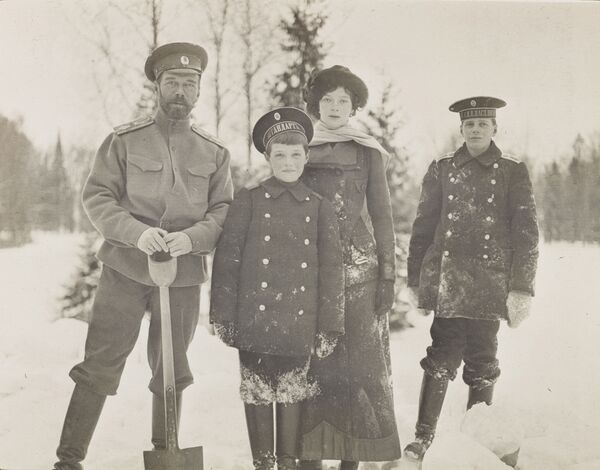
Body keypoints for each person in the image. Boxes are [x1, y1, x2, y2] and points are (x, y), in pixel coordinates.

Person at [53, 42, 233, 470]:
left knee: (172, 369)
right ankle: (68, 459)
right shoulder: (124, 141)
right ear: (157, 86)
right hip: (125, 269)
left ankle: (166, 453)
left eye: (190, 84)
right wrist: (138, 233)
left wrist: (191, 239)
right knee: (100, 363)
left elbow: (223, 209)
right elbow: (97, 196)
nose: (180, 92)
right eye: (172, 82)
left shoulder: (214, 152)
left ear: (199, 91)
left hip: (184, 273)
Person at [403, 96, 539, 463]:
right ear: (461, 129)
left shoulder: (512, 170)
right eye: (470, 124)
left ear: (494, 128)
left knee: (482, 359)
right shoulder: (442, 168)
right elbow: (423, 227)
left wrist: (522, 288)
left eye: (483, 124)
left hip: (490, 285)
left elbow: (526, 233)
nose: (476, 129)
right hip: (450, 284)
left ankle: (476, 441)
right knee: (440, 358)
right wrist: (415, 278)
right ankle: (423, 437)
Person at [210, 107, 345, 470]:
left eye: (296, 155)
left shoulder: (319, 208)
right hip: (254, 322)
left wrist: (330, 325)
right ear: (268, 157)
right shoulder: (249, 201)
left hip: (299, 325)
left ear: (306, 157)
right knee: (256, 393)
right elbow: (227, 265)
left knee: (291, 394)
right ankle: (263, 464)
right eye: (280, 155)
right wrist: (222, 316)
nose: (288, 162)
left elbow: (333, 271)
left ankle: (287, 463)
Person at [298, 65, 402, 470]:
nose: (336, 107)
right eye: (328, 100)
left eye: (344, 100)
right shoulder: (300, 145)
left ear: (355, 105)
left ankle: (352, 460)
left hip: (361, 273)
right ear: (316, 105)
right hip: (311, 273)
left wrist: (388, 276)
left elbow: (383, 215)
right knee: (315, 365)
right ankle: (309, 457)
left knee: (359, 368)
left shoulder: (368, 151)